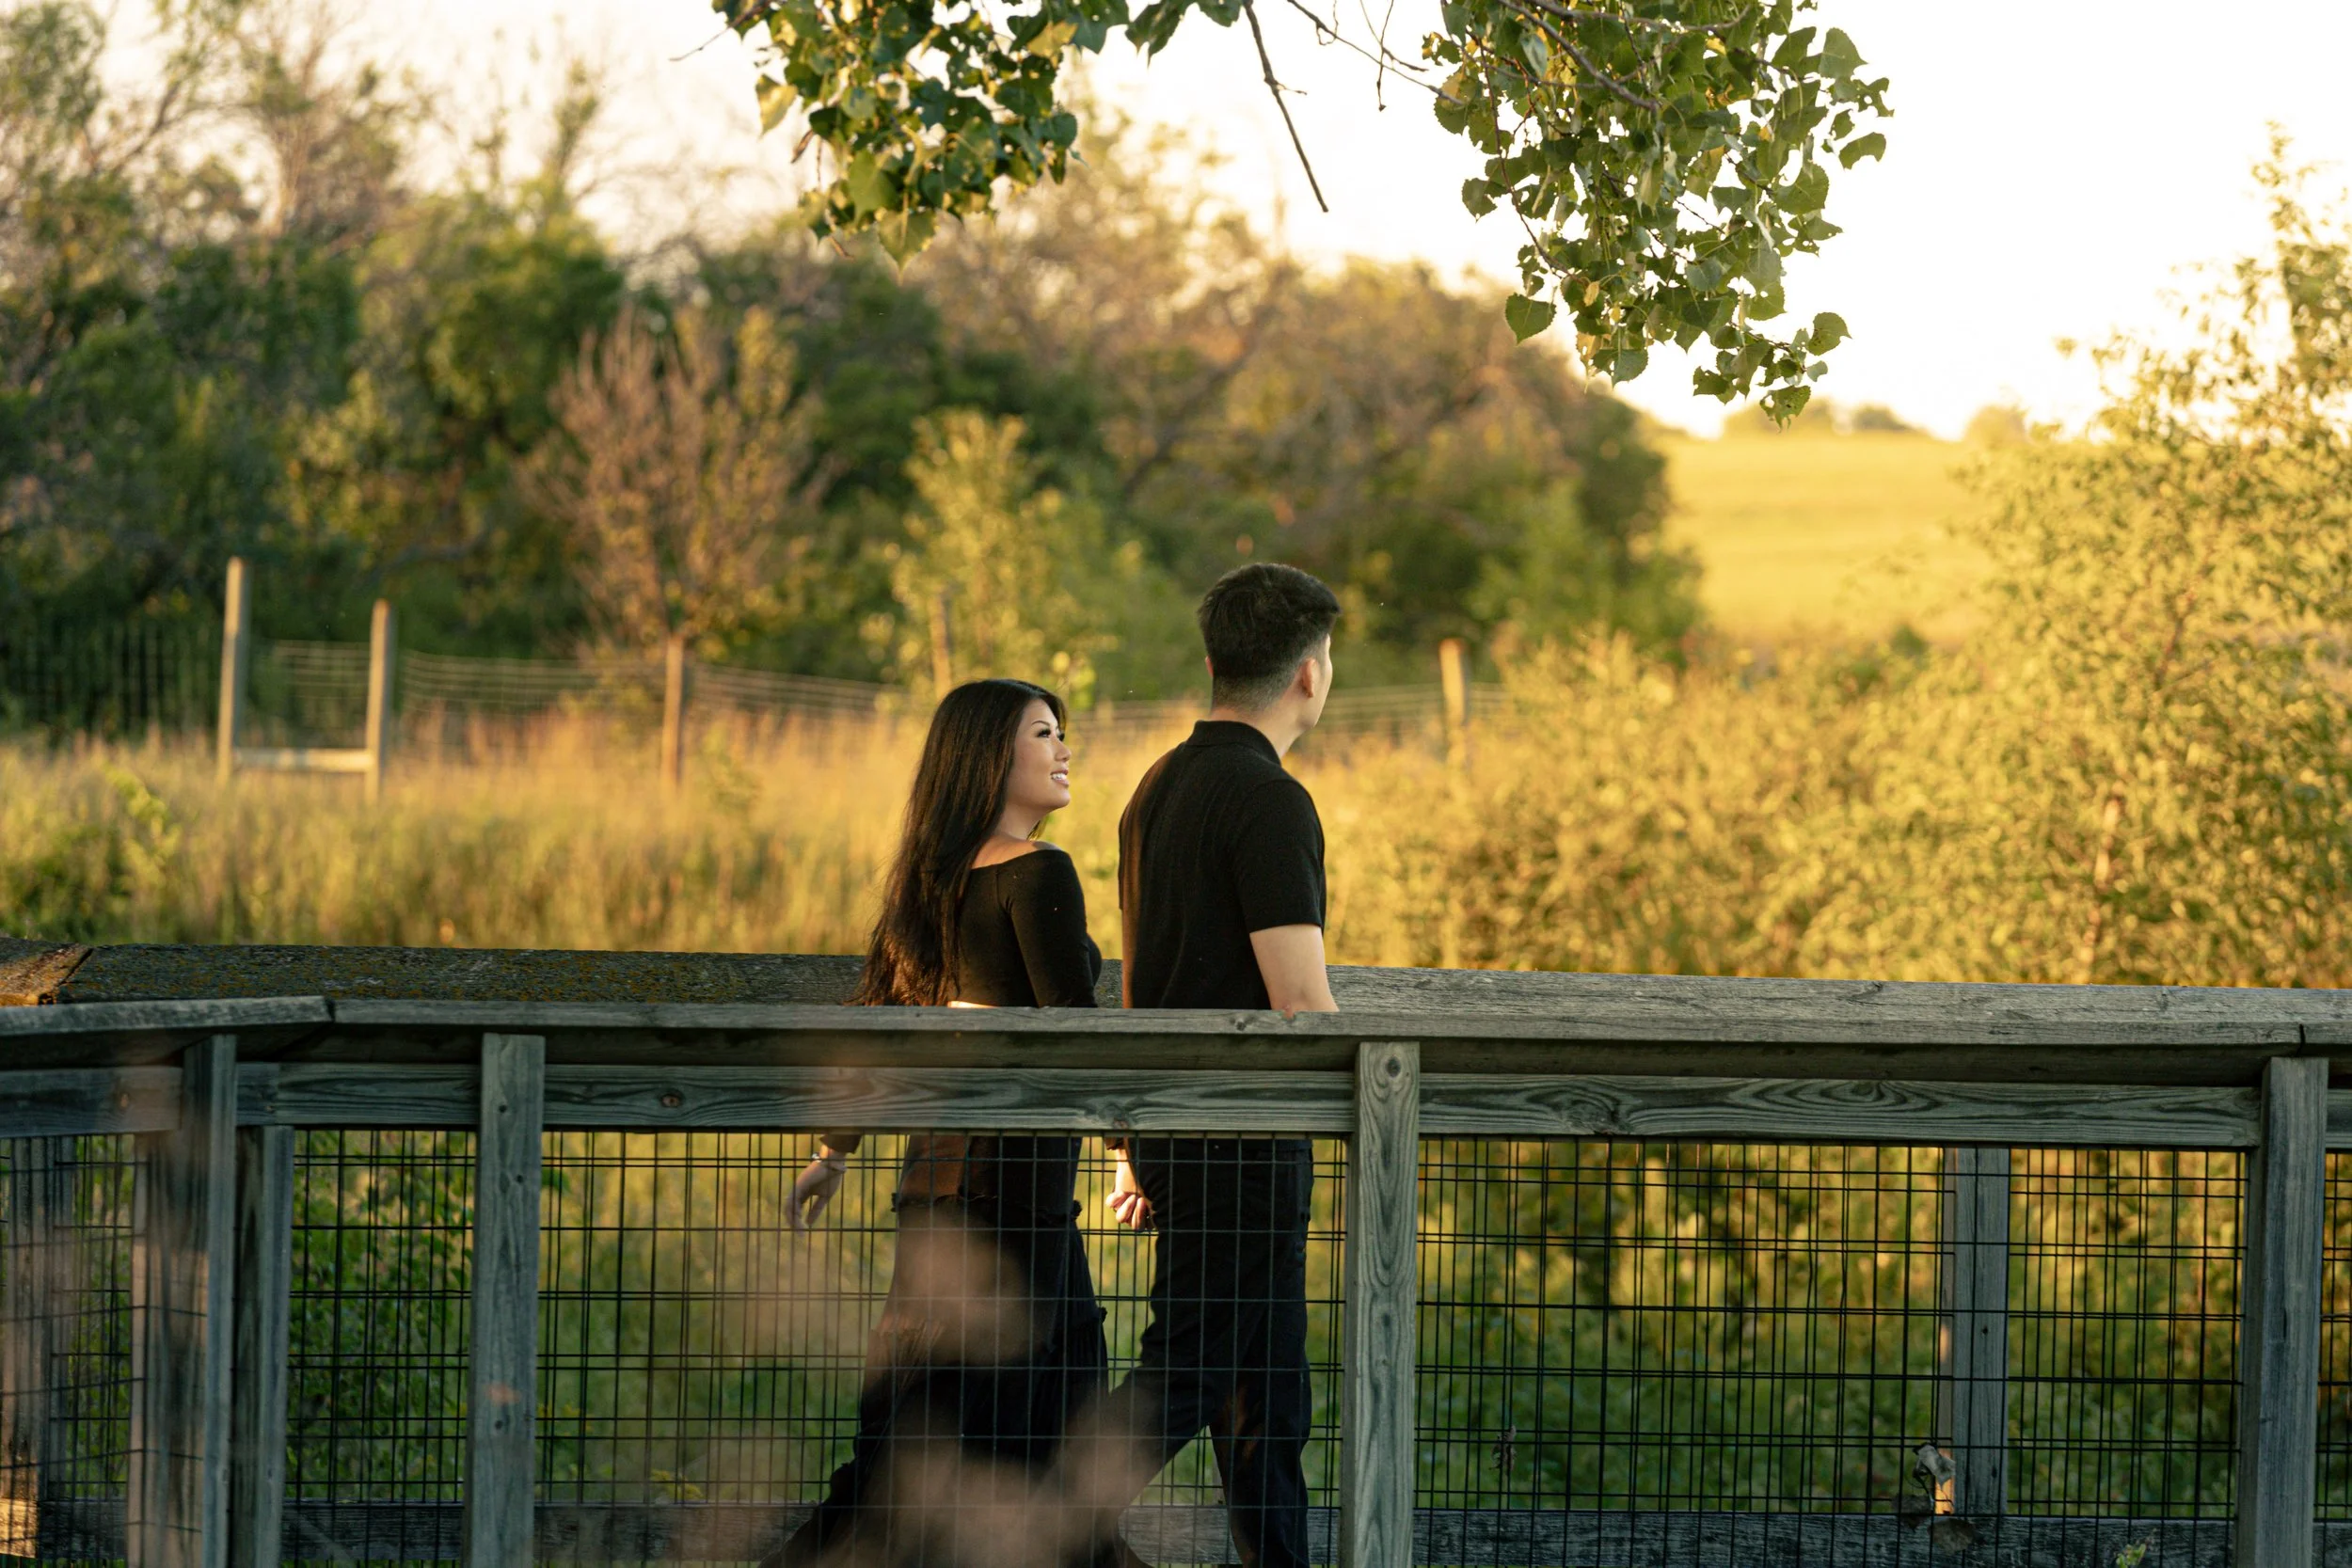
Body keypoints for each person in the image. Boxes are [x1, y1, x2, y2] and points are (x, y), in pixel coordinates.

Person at [770, 678, 1122, 1568]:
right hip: (1010, 1185)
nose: (1063, 748)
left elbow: (875, 1025)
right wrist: (1131, 1150)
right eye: (1043, 733)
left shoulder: (927, 884)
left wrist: (832, 1154)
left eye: (1060, 732)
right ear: (989, 759)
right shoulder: (1038, 871)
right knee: (1033, 1415)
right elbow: (1074, 1028)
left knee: (940, 1416)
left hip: (939, 1182)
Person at [1084, 562, 1343, 1568]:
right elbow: (1298, 999)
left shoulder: (1159, 786)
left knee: (1266, 1391)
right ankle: (1045, 1524)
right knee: (1191, 1371)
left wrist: (1129, 1134)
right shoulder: (1269, 798)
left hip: (1177, 1119)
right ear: (1310, 674)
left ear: (1212, 662)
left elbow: (1147, 973)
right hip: (1244, 1126)